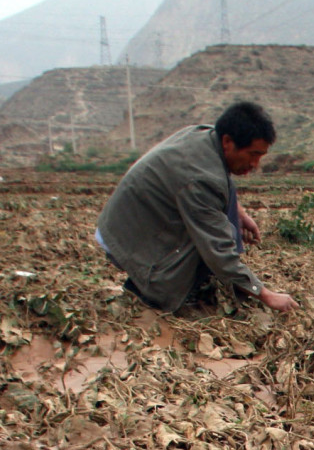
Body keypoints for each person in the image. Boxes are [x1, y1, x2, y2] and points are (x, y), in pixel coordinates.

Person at [95, 100, 298, 315]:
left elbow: (218, 181)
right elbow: (218, 250)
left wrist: (239, 212)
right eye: (252, 154)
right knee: (209, 240)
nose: (256, 164)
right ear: (228, 141)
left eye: (261, 155)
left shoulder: (208, 136)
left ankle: (221, 284)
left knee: (220, 218)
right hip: (126, 235)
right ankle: (146, 292)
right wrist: (266, 295)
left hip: (138, 216)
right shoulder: (201, 179)